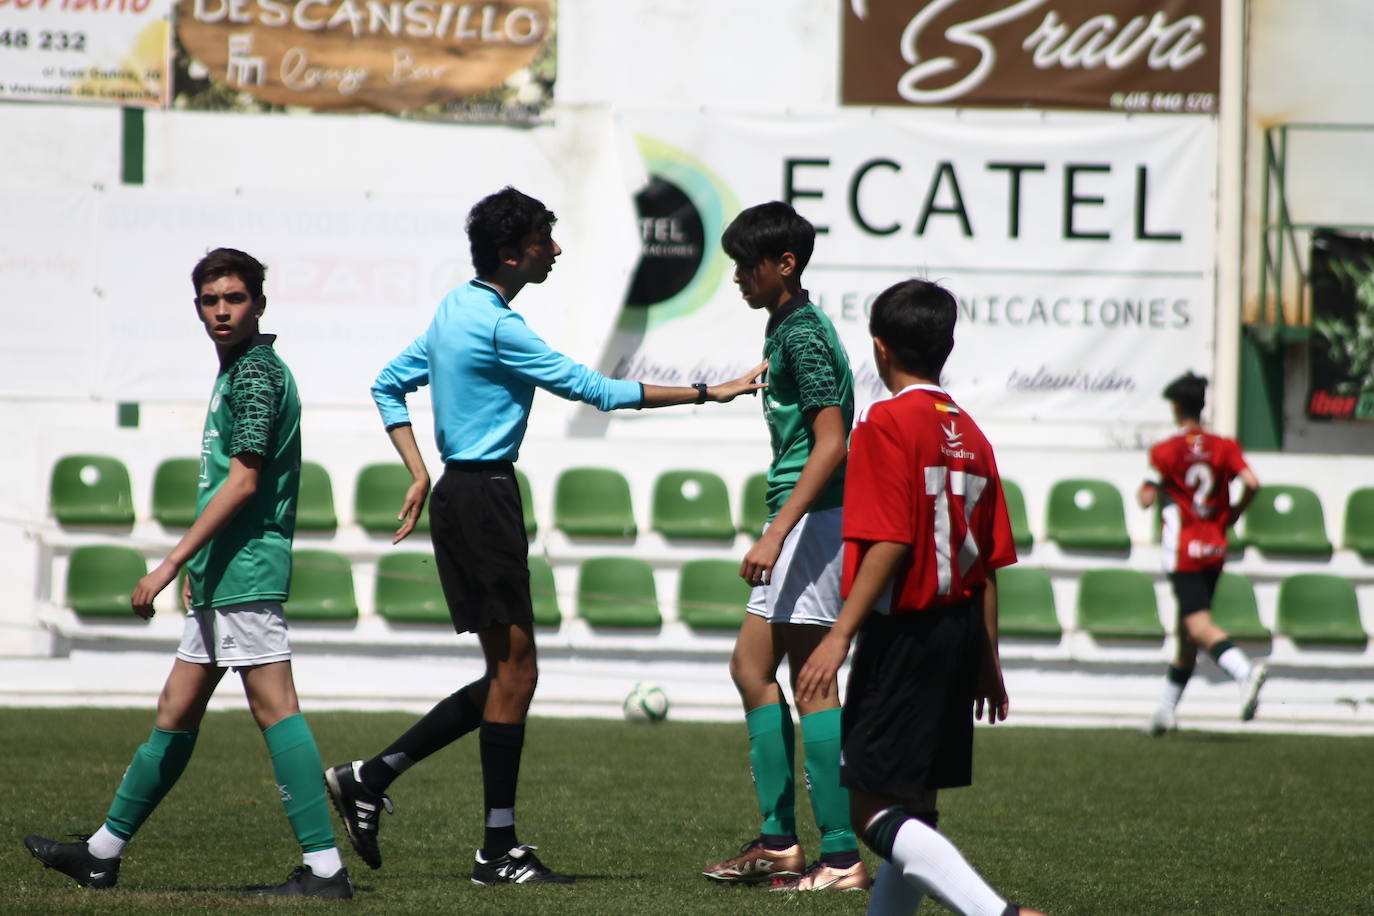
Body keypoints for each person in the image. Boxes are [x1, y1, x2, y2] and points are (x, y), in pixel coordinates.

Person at [324, 186, 765, 885]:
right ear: (512, 253)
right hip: (485, 499)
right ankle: (492, 850)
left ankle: (371, 778)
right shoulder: (499, 326)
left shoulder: (454, 309)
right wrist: (714, 392)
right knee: (518, 674)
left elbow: (387, 385)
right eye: (542, 241)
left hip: (460, 496)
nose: (554, 250)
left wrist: (418, 472)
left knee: (510, 675)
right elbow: (598, 390)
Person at [23, 248, 352, 898]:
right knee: (176, 708)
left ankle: (325, 870)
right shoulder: (237, 371)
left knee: (274, 708)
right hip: (223, 571)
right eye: (210, 300)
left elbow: (244, 480)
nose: (222, 311)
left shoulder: (256, 374)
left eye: (234, 298)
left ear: (259, 302)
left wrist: (171, 563)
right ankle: (101, 853)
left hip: (246, 569)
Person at [796, 278, 1047, 916]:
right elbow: (986, 566)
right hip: (958, 631)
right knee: (917, 809)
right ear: (948, 346)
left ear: (880, 351)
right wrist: (987, 661)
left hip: (904, 636)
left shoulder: (886, 422)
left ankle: (997, 914)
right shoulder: (973, 433)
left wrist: (838, 635)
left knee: (869, 808)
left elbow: (889, 542)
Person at [698, 202, 869, 893]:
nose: (739, 276)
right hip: (803, 518)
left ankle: (840, 855)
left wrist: (777, 531)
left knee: (812, 681)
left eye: (748, 265)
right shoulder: (787, 326)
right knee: (750, 667)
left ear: (785, 265)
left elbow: (833, 442)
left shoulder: (801, 334)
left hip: (813, 521)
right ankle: (780, 844)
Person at [1139, 372, 1266, 735]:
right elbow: (1253, 483)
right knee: (1187, 634)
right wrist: (1236, 512)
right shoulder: (1224, 447)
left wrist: (1155, 489)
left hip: (1183, 552)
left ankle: (1245, 672)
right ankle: (1166, 711)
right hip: (1214, 547)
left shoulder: (1165, 452)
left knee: (1197, 625)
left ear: (1177, 407)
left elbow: (1146, 498)